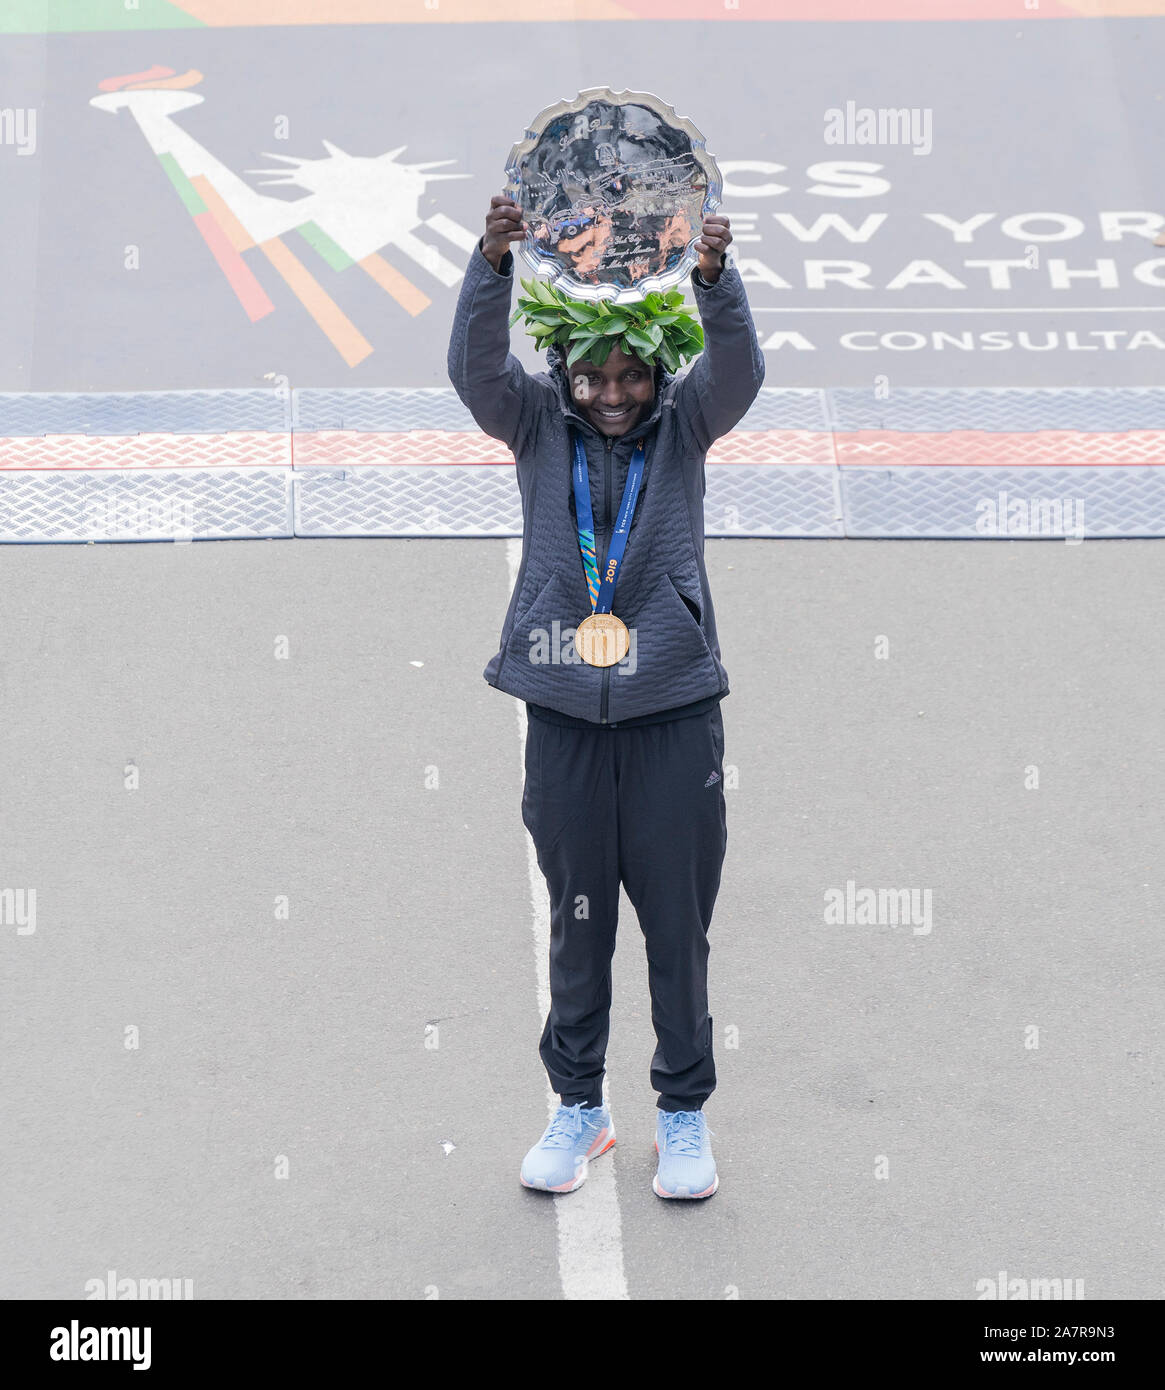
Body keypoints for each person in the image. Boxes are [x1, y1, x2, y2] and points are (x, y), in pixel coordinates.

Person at [447, 192, 764, 1199]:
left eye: (631, 372)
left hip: (672, 714)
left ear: (657, 372)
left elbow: (740, 370)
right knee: (577, 925)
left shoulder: (687, 426)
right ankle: (577, 1109)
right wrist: (491, 266)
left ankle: (682, 1117)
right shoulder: (535, 424)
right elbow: (475, 370)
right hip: (564, 718)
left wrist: (715, 284)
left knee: (675, 925)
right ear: (565, 369)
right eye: (594, 372)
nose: (614, 391)